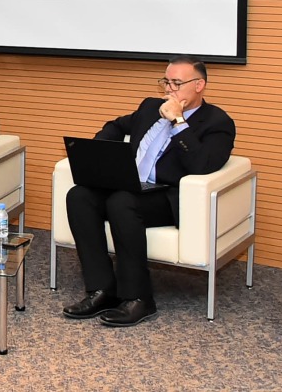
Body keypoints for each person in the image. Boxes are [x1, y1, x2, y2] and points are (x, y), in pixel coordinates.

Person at [62, 55, 235, 327]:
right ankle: (102, 290)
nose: (169, 90)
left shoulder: (217, 122)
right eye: (166, 82)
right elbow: (115, 126)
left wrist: (179, 121)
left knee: (121, 202)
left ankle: (139, 298)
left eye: (177, 83)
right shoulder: (150, 107)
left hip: (167, 196)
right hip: (130, 186)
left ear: (199, 85)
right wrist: (101, 151)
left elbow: (202, 165)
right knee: (79, 195)